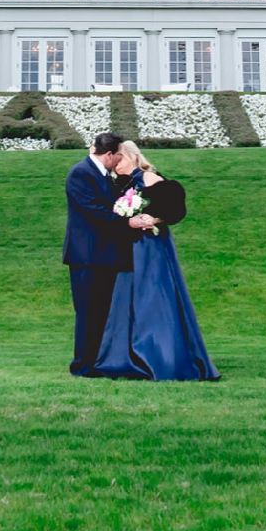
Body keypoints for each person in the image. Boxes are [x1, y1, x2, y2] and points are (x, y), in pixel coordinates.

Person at [93, 140, 221, 381]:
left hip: (149, 246)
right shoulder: (117, 183)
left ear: (131, 156)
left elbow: (173, 206)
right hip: (127, 246)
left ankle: (161, 356)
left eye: (120, 157)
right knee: (125, 295)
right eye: (115, 159)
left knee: (152, 294)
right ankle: (125, 356)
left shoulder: (148, 177)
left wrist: (152, 218)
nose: (116, 163)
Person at [63, 131, 158, 376]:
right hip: (87, 257)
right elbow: (94, 211)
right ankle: (83, 365)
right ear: (108, 154)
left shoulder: (101, 174)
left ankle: (96, 362)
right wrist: (129, 223)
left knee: (101, 312)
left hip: (103, 256)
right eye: (117, 155)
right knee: (88, 313)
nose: (118, 160)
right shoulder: (81, 173)